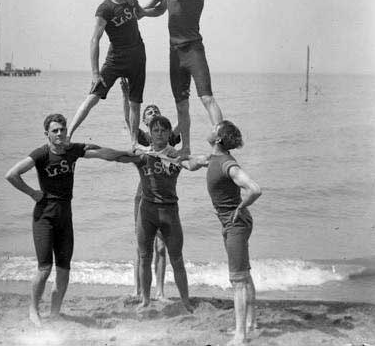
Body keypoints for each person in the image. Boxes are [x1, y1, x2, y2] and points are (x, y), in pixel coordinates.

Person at [4, 113, 133, 326]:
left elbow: (102, 154)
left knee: (64, 269)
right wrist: (32, 193)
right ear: (47, 134)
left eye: (62, 129)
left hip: (65, 217)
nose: (60, 133)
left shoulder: (73, 150)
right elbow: (11, 174)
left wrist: (125, 153)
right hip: (44, 217)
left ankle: (55, 312)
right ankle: (33, 310)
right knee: (45, 269)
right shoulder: (41, 154)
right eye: (55, 130)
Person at [96, 114, 198, 312]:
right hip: (147, 212)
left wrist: (203, 160)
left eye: (163, 130)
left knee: (176, 258)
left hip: (170, 213)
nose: (159, 134)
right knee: (144, 256)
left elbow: (191, 165)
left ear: (170, 133)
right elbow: (117, 156)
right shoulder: (143, 156)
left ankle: (185, 301)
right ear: (150, 134)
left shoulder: (176, 155)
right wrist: (90, 151)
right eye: (156, 131)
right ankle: (145, 300)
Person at [181, 121, 262, 345]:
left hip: (236, 224)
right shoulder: (214, 158)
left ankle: (241, 335)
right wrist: (170, 155)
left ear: (218, 138)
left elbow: (255, 189)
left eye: (214, 126)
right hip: (231, 224)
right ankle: (251, 324)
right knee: (244, 274)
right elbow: (194, 162)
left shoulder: (227, 163)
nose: (209, 126)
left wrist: (241, 206)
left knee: (238, 280)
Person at [148, 0, 223, 155]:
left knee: (207, 98)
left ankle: (220, 144)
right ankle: (186, 147)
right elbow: (159, 9)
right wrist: (141, 11)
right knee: (181, 105)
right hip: (174, 53)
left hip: (193, 50)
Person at [67, 0, 164, 146]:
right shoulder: (105, 9)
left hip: (137, 57)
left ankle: (134, 143)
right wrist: (95, 73)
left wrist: (160, 1)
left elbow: (141, 12)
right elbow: (95, 39)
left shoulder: (130, 0)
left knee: (135, 103)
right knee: (93, 97)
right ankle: (68, 135)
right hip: (116, 59)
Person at [120, 78, 181, 299]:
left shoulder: (167, 138)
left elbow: (183, 123)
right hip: (143, 196)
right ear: (145, 122)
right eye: (149, 112)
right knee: (142, 247)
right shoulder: (143, 139)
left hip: (165, 198)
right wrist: (127, 97)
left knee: (162, 248)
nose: (153, 112)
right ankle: (138, 289)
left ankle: (161, 291)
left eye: (156, 110)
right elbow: (129, 118)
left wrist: (182, 97)